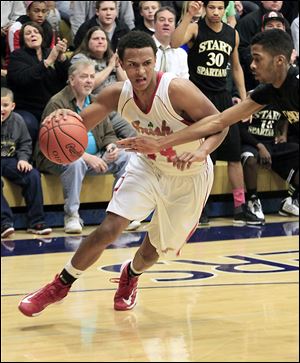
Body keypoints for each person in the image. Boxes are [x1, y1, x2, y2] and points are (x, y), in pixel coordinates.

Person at [18, 30, 228, 317]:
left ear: (155, 61)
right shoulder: (117, 94)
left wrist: (203, 152)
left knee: (152, 252)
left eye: (146, 63)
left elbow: (220, 124)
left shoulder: (176, 90)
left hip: (189, 177)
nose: (140, 71)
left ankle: (130, 274)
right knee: (109, 227)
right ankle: (60, 284)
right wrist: (57, 123)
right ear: (121, 63)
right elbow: (77, 127)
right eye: (132, 64)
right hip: (149, 167)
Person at [171, 1, 261, 225]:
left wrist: (245, 99)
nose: (216, 12)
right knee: (202, 157)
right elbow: (173, 43)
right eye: (212, 7)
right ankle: (200, 206)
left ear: (225, 9)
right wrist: (188, 16)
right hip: (198, 99)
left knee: (233, 155)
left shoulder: (232, 33)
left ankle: (240, 206)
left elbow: (237, 67)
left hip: (223, 99)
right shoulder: (195, 27)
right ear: (205, 8)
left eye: (220, 8)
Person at [34, 60, 132, 233]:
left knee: (127, 156)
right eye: (84, 76)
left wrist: (110, 147)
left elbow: (109, 133)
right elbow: (55, 143)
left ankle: (120, 213)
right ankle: (71, 216)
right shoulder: (57, 103)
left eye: (92, 77)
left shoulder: (96, 101)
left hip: (94, 158)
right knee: (75, 162)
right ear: (72, 80)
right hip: (57, 158)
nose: (89, 81)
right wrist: (85, 156)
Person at [6, 21, 69, 149]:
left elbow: (67, 79)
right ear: (23, 39)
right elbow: (23, 78)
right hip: (28, 109)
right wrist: (47, 62)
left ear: (42, 36)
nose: (33, 35)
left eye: (36, 32)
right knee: (29, 123)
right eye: (28, 33)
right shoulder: (17, 56)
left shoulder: (50, 52)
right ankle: (28, 160)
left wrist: (62, 59)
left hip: (53, 107)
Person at [1, 87, 52, 238]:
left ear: (12, 106)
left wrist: (23, 159)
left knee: (33, 175)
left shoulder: (18, 120)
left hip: (11, 160)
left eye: (5, 105)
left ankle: (36, 222)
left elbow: (25, 143)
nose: (1, 109)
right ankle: (4, 223)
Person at [5, 1, 55, 69]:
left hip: (43, 66)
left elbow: (50, 53)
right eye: (36, 11)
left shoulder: (49, 29)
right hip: (18, 68)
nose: (40, 15)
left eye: (44, 11)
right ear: (28, 12)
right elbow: (16, 56)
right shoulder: (16, 28)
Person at [153, 6, 189, 78]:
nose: (166, 23)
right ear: (154, 24)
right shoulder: (144, 48)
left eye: (170, 20)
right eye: (162, 20)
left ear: (175, 26)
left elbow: (184, 80)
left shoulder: (181, 54)